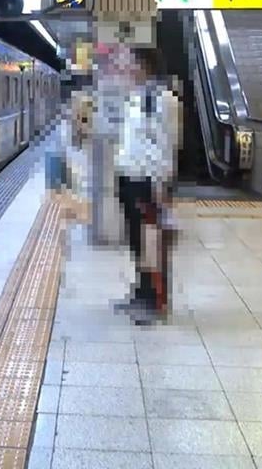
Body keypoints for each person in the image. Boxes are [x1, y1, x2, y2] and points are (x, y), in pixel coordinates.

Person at [115, 48, 181, 323]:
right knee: (137, 241)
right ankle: (142, 293)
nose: (125, 67)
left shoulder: (161, 99)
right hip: (130, 178)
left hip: (148, 182)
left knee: (152, 242)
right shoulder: (136, 97)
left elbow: (164, 145)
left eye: (130, 62)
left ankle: (156, 301)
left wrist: (160, 184)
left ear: (145, 65)